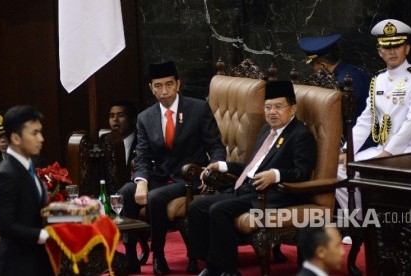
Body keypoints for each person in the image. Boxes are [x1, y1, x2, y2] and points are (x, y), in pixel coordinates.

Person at [187, 81, 317, 276]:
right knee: (196, 207)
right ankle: (208, 263)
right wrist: (223, 166)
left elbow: (302, 172)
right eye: (268, 107)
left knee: (218, 210)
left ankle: (228, 270)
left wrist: (276, 175)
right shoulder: (266, 130)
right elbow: (251, 167)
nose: (272, 112)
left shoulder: (300, 135)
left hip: (270, 195)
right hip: (246, 188)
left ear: (293, 109)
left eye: (278, 107)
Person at [119, 60, 226, 275]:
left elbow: (216, 146)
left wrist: (215, 168)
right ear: (151, 88)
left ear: (178, 84)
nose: (164, 91)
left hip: (189, 178)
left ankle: (158, 254)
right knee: (126, 192)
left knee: (157, 197)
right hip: (160, 176)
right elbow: (142, 156)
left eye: (169, 84)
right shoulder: (144, 118)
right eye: (158, 86)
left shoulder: (198, 108)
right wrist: (140, 181)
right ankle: (130, 255)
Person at [336, 19, 411, 220]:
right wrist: (347, 150)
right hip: (383, 150)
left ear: (407, 48)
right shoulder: (378, 80)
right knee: (339, 171)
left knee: (365, 173)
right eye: (386, 47)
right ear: (379, 52)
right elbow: (366, 120)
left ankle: (374, 228)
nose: (392, 51)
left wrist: (387, 153)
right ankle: (359, 223)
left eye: (397, 46)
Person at [0, 105, 52, 275]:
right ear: (16, 138)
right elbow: (5, 225)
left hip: (38, 262)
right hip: (18, 265)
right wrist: (45, 236)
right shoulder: (6, 174)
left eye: (40, 132)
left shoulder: (28, 166)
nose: (41, 139)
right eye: (34, 133)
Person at [298, 34, 374, 151]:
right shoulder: (348, 71)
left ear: (323, 65)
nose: (313, 71)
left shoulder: (342, 82)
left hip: (358, 144)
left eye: (313, 65)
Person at [108, 99, 138, 172]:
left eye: (121, 115)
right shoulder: (106, 144)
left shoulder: (142, 141)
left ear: (134, 119)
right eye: (112, 116)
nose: (115, 119)